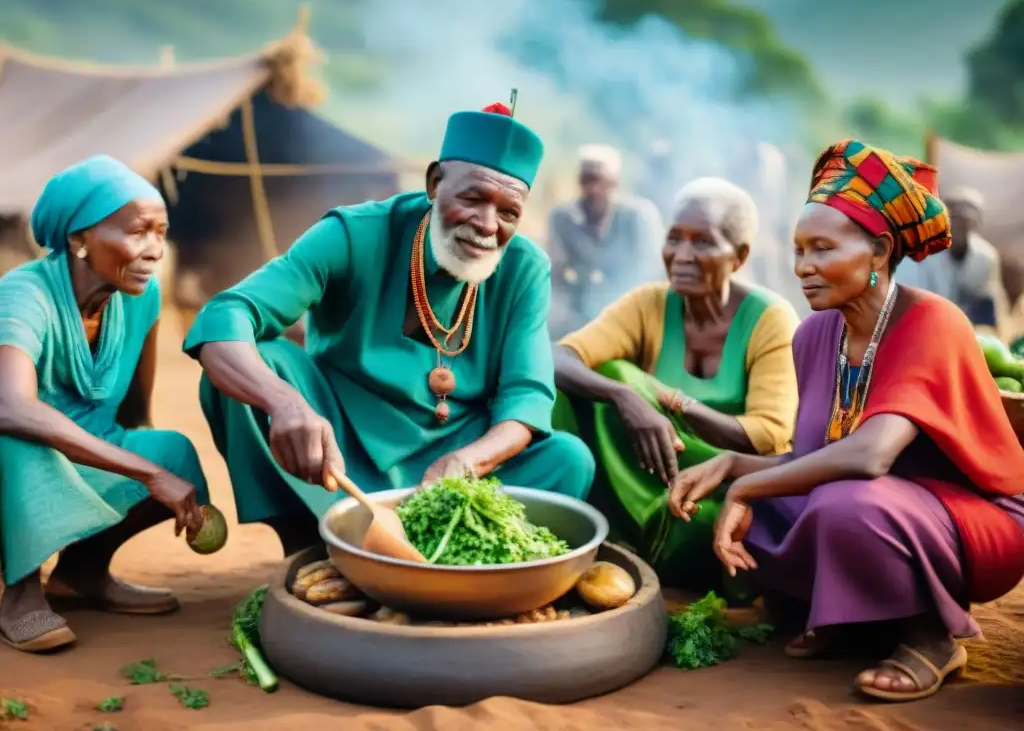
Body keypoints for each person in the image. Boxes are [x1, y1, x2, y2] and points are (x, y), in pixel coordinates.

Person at [669, 140, 1024, 701]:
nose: (803, 267)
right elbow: (814, 460)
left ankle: (931, 637)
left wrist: (749, 481)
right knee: (775, 502)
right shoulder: (815, 335)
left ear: (879, 251)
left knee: (841, 503)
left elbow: (868, 456)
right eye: (798, 249)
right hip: (881, 502)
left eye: (822, 249)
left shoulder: (934, 322)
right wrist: (733, 466)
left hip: (975, 520)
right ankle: (851, 619)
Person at [184, 103, 595, 555]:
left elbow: (528, 397)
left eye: (508, 212)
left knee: (568, 460)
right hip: (337, 444)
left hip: (456, 455)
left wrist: (469, 461)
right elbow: (226, 316)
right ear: (435, 183)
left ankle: (448, 553)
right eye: (473, 199)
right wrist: (285, 403)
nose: (487, 225)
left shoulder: (525, 267)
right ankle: (304, 547)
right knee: (248, 366)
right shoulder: (353, 233)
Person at [0, 156, 208, 653]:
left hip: (86, 441)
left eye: (161, 233)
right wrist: (145, 474)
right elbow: (10, 406)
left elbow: (136, 402)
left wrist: (152, 468)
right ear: (78, 240)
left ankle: (81, 573)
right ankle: (20, 591)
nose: (155, 250)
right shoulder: (24, 295)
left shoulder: (142, 296)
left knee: (173, 454)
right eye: (138, 233)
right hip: (14, 456)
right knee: (24, 439)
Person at [553, 177, 799, 594]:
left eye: (703, 242)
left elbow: (770, 435)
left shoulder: (770, 318)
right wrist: (629, 396)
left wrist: (671, 402)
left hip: (727, 485)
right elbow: (559, 356)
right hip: (650, 474)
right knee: (598, 379)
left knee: (701, 522)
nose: (682, 255)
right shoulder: (648, 303)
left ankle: (650, 549)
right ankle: (591, 526)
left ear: (739, 256)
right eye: (674, 239)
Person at [546, 144, 665, 339]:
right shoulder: (563, 218)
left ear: (614, 183)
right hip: (579, 312)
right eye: (587, 180)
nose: (594, 189)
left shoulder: (638, 217)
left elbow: (651, 269)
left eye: (600, 181)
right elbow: (554, 271)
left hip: (631, 309)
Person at [895, 185, 1007, 329]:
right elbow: (913, 302)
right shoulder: (925, 251)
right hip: (926, 323)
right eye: (955, 216)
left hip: (967, 328)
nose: (960, 223)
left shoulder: (985, 257)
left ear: (977, 222)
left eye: (967, 218)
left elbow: (990, 304)